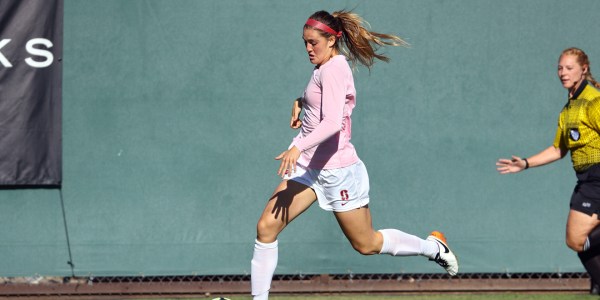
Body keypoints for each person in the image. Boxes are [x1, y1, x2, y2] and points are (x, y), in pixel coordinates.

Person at [250, 10, 459, 299]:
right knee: (266, 228)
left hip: (337, 170)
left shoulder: (335, 68)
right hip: (310, 168)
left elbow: (333, 123)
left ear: (332, 40)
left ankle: (434, 247)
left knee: (367, 244)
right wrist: (299, 102)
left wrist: (298, 146)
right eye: (305, 43)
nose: (309, 49)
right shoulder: (323, 67)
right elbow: (321, 102)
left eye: (314, 43)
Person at [496, 47, 600, 295]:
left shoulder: (593, 101)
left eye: (569, 68)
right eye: (560, 68)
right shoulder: (568, 109)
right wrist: (525, 163)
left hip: (598, 176)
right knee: (577, 243)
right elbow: (558, 149)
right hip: (585, 179)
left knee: (579, 242)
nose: (563, 73)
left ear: (583, 69)